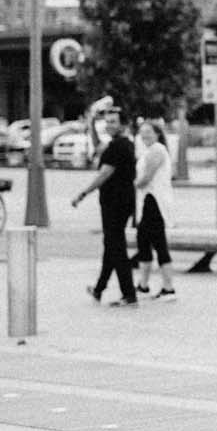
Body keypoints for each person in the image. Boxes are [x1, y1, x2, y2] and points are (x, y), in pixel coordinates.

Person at [71, 108, 140, 306]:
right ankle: (99, 289)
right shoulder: (120, 144)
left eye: (113, 122)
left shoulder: (118, 146)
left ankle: (129, 293)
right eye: (107, 122)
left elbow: (104, 173)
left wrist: (82, 193)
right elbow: (98, 146)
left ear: (123, 125)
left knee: (116, 247)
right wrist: (92, 125)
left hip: (115, 203)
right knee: (111, 245)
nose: (109, 125)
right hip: (120, 201)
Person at [132, 119, 177, 298]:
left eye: (148, 132)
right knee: (143, 240)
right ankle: (143, 284)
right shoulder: (149, 151)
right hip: (147, 202)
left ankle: (168, 287)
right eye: (142, 132)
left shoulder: (157, 150)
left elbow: (146, 177)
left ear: (157, 133)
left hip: (155, 202)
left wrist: (132, 185)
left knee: (158, 243)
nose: (145, 135)